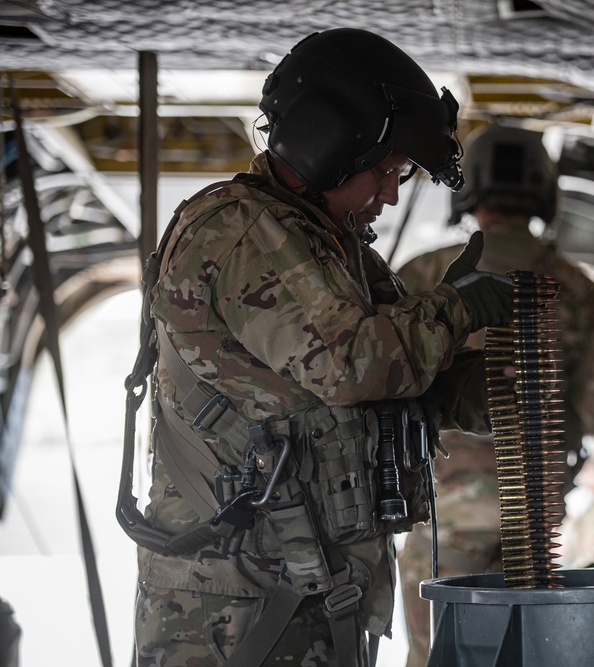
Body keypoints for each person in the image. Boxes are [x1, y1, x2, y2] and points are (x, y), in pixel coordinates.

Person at [120, 28, 517, 667]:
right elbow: (351, 366)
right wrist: (460, 306)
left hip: (303, 583)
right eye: (385, 171)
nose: (390, 193)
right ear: (328, 144)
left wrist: (489, 390)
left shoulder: (328, 248)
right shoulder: (243, 230)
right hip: (230, 606)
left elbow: (384, 385)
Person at [394, 124, 594, 666]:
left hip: (442, 517)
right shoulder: (581, 291)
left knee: (441, 658)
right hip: (533, 523)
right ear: (544, 191)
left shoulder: (425, 276)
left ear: (468, 190)